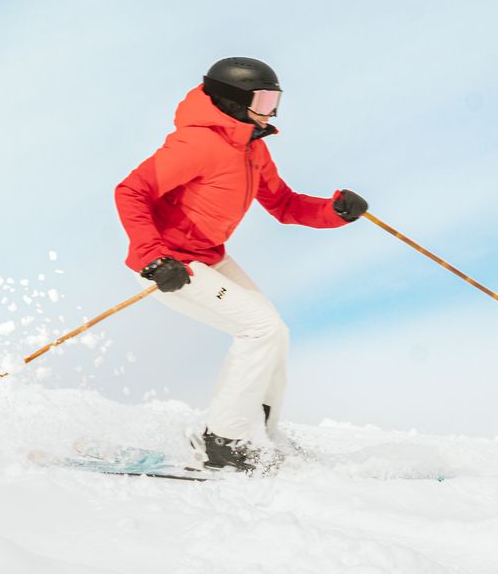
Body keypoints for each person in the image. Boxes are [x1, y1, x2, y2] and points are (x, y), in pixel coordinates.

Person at [113, 56, 366, 471]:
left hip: (208, 257)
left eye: (275, 100)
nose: (271, 109)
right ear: (232, 100)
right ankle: (224, 442)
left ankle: (256, 434)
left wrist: (336, 211)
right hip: (170, 265)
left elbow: (284, 204)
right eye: (263, 99)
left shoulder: (252, 149)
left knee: (274, 333)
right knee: (259, 329)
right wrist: (154, 258)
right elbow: (131, 191)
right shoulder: (197, 144)